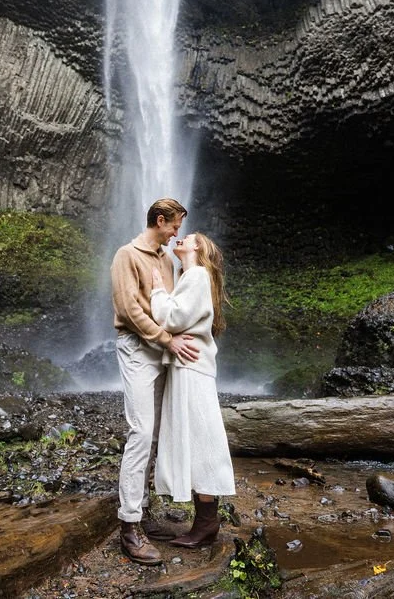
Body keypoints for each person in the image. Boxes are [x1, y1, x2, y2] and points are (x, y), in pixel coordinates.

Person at [110, 198, 201, 565]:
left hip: (163, 348)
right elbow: (130, 311)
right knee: (141, 431)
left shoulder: (165, 258)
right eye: (175, 225)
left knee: (159, 430)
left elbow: (170, 304)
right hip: (137, 348)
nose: (177, 233)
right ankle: (129, 526)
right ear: (160, 220)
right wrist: (168, 340)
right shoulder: (125, 255)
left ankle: (143, 507)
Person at [150, 231, 235, 548]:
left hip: (191, 368)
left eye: (187, 236)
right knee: (199, 437)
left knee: (201, 438)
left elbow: (173, 318)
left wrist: (158, 293)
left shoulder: (197, 274)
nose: (180, 238)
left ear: (198, 247)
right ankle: (204, 521)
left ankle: (206, 523)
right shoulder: (194, 276)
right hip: (188, 367)